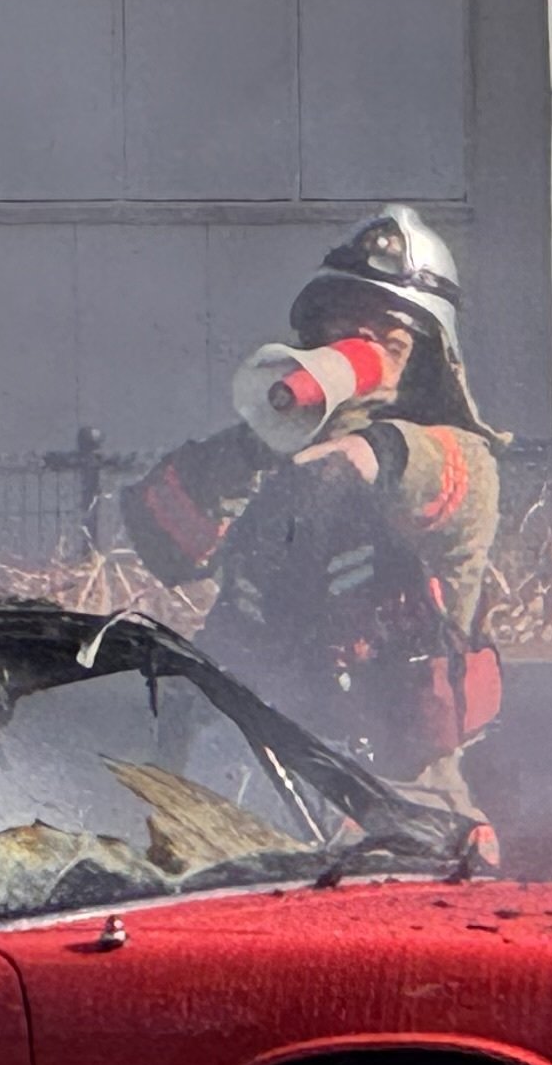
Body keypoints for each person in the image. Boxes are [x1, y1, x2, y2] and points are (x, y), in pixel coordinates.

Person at [122, 206, 505, 828]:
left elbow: (443, 477)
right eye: (343, 324)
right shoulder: (266, 454)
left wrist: (376, 450)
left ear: (427, 358)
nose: (359, 343)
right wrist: (258, 443)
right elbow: (164, 541)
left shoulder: (457, 457)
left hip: (391, 799)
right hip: (240, 780)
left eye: (387, 336)